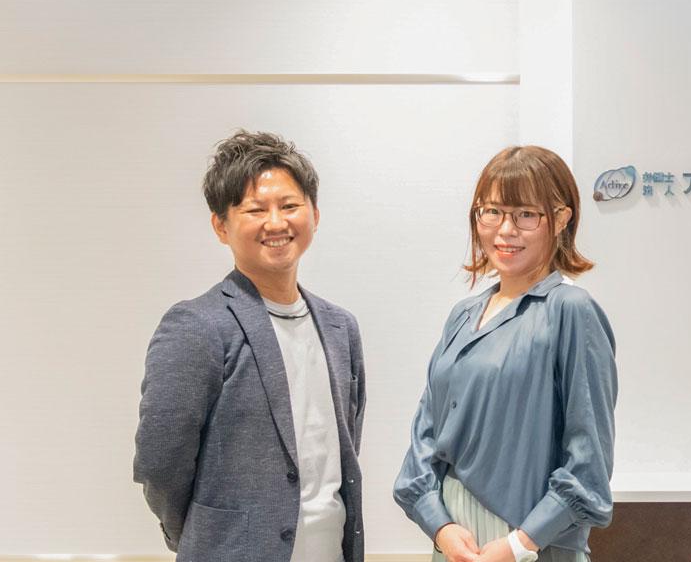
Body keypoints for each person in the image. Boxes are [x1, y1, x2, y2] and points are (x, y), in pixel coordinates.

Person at [135, 129, 366, 562]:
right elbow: (160, 462)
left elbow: (346, 445)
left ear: (315, 214)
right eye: (256, 210)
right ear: (220, 226)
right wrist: (203, 536)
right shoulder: (196, 326)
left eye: (290, 206)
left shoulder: (341, 328)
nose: (276, 223)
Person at [394, 146, 617, 562]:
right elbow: (426, 434)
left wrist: (519, 545)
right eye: (491, 212)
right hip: (453, 540)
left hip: (531, 543)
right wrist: (439, 526)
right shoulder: (463, 314)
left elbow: (589, 460)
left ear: (561, 219)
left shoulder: (570, 310)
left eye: (526, 214)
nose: (505, 230)